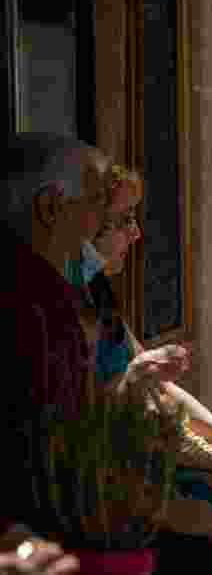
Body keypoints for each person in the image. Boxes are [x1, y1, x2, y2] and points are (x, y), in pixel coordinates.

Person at [67, 165, 212, 575]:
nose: (136, 234)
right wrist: (197, 499)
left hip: (157, 479)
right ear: (86, 224)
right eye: (123, 220)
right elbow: (96, 418)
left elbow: (161, 387)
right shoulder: (61, 301)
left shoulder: (96, 290)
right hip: (117, 498)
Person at [0, 132, 112, 549]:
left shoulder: (54, 292)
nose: (105, 217)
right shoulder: (27, 303)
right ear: (50, 207)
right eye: (98, 198)